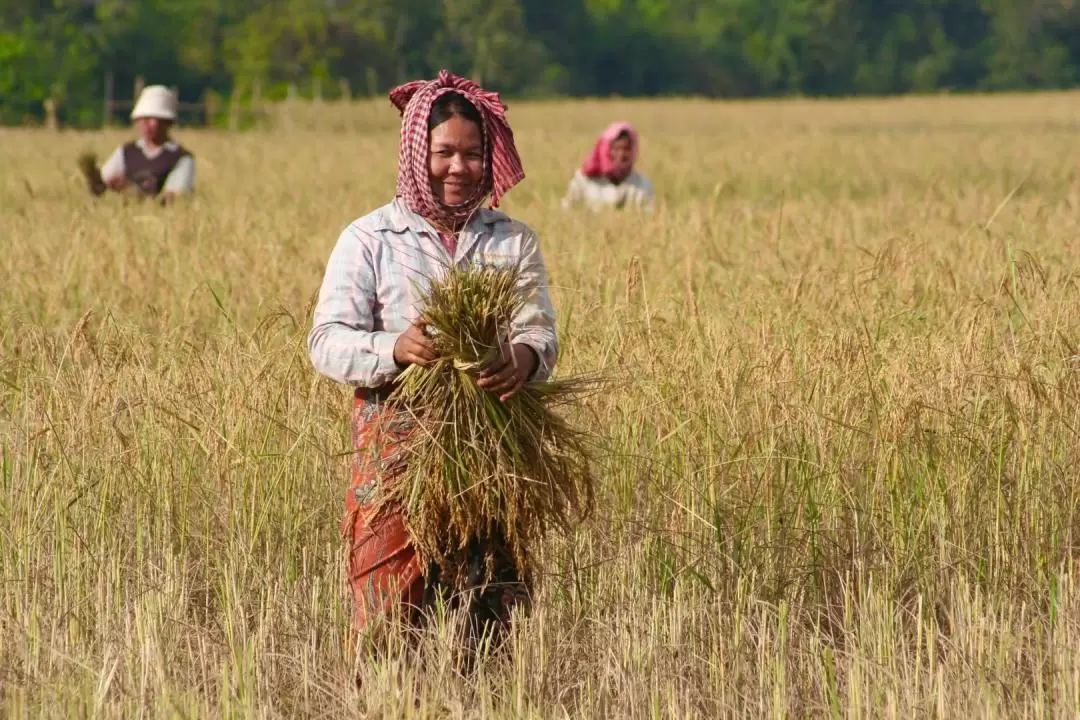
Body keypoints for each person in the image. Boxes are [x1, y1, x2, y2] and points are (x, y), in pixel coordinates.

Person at [306, 70, 558, 646]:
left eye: (473, 154)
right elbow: (326, 341)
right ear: (418, 152)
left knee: (490, 612)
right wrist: (394, 348)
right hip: (397, 447)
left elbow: (538, 328)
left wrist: (522, 357)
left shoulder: (511, 240)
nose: (459, 167)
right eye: (444, 152)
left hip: (493, 445)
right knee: (390, 613)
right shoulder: (370, 238)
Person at [79, 85, 195, 203]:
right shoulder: (127, 152)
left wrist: (132, 192)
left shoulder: (180, 158)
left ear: (166, 122)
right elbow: (102, 187)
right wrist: (94, 177)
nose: (145, 124)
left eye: (150, 118)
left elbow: (174, 200)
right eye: (141, 119)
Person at [561, 121, 654, 212]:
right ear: (605, 150)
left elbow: (648, 215)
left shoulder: (642, 184)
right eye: (616, 149)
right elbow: (567, 209)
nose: (621, 154)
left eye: (627, 149)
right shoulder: (583, 179)